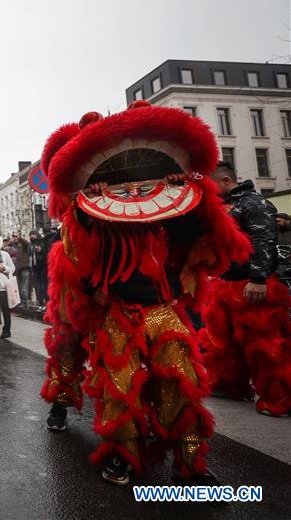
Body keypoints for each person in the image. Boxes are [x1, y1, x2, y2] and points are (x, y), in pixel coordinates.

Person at [40, 103, 249, 487]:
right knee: (116, 384)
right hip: (114, 312)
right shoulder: (90, 218)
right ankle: (116, 450)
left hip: (164, 310)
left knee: (181, 386)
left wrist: (181, 188)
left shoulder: (170, 215)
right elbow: (78, 257)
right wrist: (90, 206)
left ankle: (191, 467)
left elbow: (205, 234)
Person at [201, 162, 291, 417]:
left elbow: (264, 240)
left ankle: (278, 397)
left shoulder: (255, 204)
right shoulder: (222, 206)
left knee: (264, 345)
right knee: (223, 342)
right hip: (225, 283)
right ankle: (229, 385)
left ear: (226, 180)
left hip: (250, 283)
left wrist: (259, 278)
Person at [9, 233, 31, 310]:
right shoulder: (14, 246)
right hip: (18, 269)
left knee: (24, 288)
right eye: (14, 237)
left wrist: (20, 238)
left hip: (25, 268)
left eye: (16, 237)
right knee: (19, 287)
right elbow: (8, 248)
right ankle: (21, 303)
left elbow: (27, 243)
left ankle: (24, 304)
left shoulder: (24, 245)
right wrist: (10, 242)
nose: (15, 238)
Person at [28, 230, 49, 307]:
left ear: (37, 235)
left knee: (44, 284)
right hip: (34, 267)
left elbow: (45, 251)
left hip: (42, 265)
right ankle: (41, 303)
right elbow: (29, 255)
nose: (32, 236)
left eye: (33, 234)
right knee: (37, 285)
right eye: (30, 235)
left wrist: (40, 250)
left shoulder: (42, 241)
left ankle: (47, 301)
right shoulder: (30, 244)